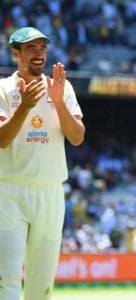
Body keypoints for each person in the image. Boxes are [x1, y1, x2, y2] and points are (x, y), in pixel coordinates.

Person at [0, 27, 85, 300]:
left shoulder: (62, 86)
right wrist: (23, 106)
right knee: (7, 277)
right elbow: (2, 139)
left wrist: (58, 102)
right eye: (31, 49)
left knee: (42, 283)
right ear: (16, 54)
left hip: (50, 191)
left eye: (42, 49)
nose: (38, 55)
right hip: (8, 190)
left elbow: (77, 137)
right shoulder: (3, 89)